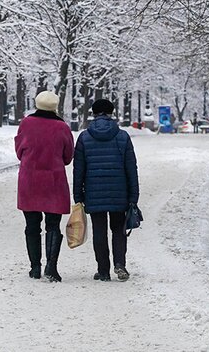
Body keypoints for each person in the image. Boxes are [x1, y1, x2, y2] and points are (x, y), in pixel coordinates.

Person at [73, 98, 139, 281]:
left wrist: (78, 195)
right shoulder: (123, 136)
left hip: (94, 193)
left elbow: (79, 169)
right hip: (119, 192)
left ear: (93, 113)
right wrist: (134, 195)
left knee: (99, 231)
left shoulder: (84, 137)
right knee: (118, 229)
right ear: (111, 113)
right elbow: (131, 168)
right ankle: (120, 264)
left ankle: (103, 270)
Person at [15, 90, 74, 281]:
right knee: (53, 225)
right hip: (54, 182)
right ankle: (51, 266)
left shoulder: (26, 124)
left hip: (29, 181)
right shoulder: (62, 127)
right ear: (55, 107)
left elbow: (19, 151)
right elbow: (68, 157)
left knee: (31, 225)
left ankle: (34, 267)